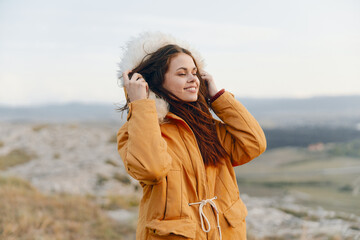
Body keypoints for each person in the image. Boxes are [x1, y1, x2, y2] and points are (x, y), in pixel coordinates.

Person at [116, 32, 267, 240]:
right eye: (182, 73)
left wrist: (217, 97)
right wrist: (141, 106)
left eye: (195, 72)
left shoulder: (207, 127)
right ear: (157, 81)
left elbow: (253, 144)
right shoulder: (137, 130)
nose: (192, 79)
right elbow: (151, 169)